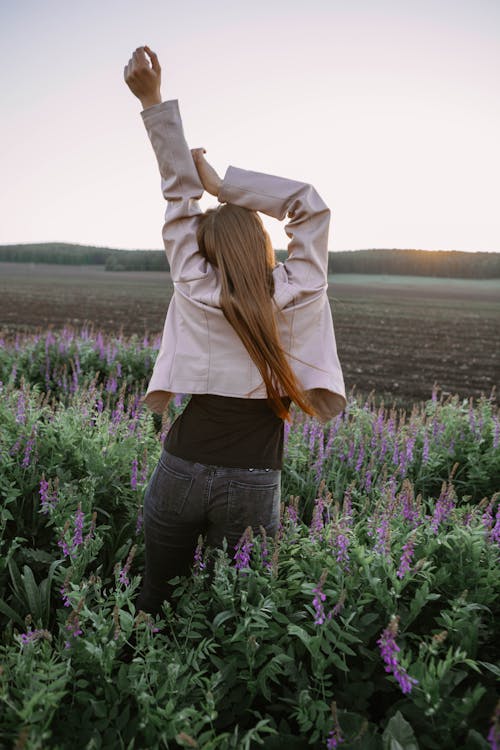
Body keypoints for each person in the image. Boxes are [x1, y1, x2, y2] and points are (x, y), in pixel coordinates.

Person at [123, 46, 347, 622]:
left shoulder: (194, 286)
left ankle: (141, 693)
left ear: (205, 250)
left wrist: (153, 101)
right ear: (263, 246)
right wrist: (225, 187)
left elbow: (177, 199)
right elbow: (309, 207)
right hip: (254, 480)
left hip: (180, 465)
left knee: (155, 599)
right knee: (234, 612)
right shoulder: (300, 291)